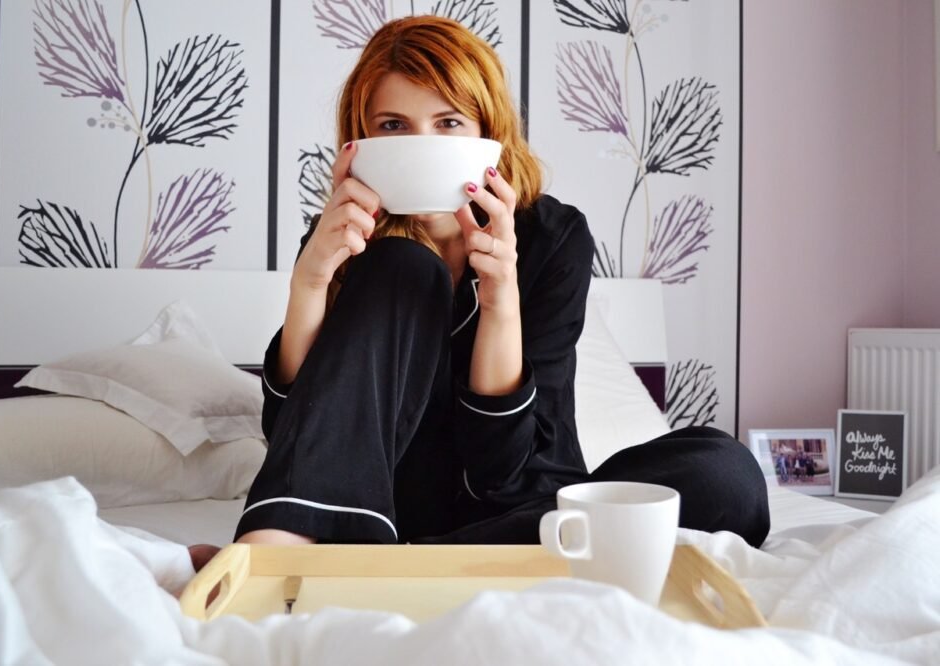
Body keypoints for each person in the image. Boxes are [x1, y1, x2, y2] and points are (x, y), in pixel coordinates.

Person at [191, 16, 769, 568]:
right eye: (394, 126)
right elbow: (300, 439)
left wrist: (499, 299)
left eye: (448, 123)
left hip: (531, 504)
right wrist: (311, 279)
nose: (423, 144)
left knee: (725, 475)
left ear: (487, 133)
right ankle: (287, 546)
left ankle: (413, 562)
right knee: (402, 264)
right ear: (361, 142)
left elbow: (506, 468)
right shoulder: (347, 238)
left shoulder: (552, 237)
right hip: (383, 506)